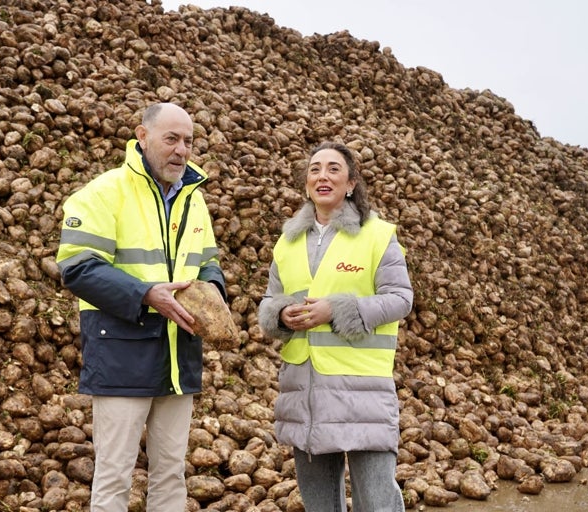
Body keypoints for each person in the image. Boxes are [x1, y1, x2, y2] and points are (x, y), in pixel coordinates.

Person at [55, 102, 226, 511]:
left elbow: (208, 261)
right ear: (142, 136)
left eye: (187, 141)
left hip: (178, 355)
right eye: (171, 139)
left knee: (170, 473)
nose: (181, 150)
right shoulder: (104, 192)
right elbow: (76, 267)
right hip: (121, 355)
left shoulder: (192, 199)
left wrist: (213, 290)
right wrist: (147, 294)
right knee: (114, 475)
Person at [258, 141, 413, 511]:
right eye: (314, 169)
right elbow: (269, 300)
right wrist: (280, 315)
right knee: (319, 505)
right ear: (306, 183)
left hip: (363, 391)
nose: (322, 176)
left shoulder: (377, 234)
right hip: (306, 390)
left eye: (333, 169)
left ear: (350, 183)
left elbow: (400, 298)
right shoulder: (288, 241)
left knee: (377, 502)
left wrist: (337, 309)